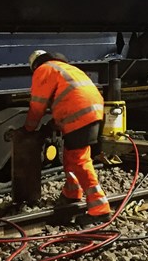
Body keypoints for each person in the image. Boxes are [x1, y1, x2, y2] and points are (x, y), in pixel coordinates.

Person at [23, 50, 112, 225]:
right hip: (93, 111)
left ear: (35, 64)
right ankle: (72, 193)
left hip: (79, 113)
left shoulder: (44, 69)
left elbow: (37, 105)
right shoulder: (67, 68)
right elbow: (68, 96)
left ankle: (100, 208)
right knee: (73, 156)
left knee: (79, 161)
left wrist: (28, 129)